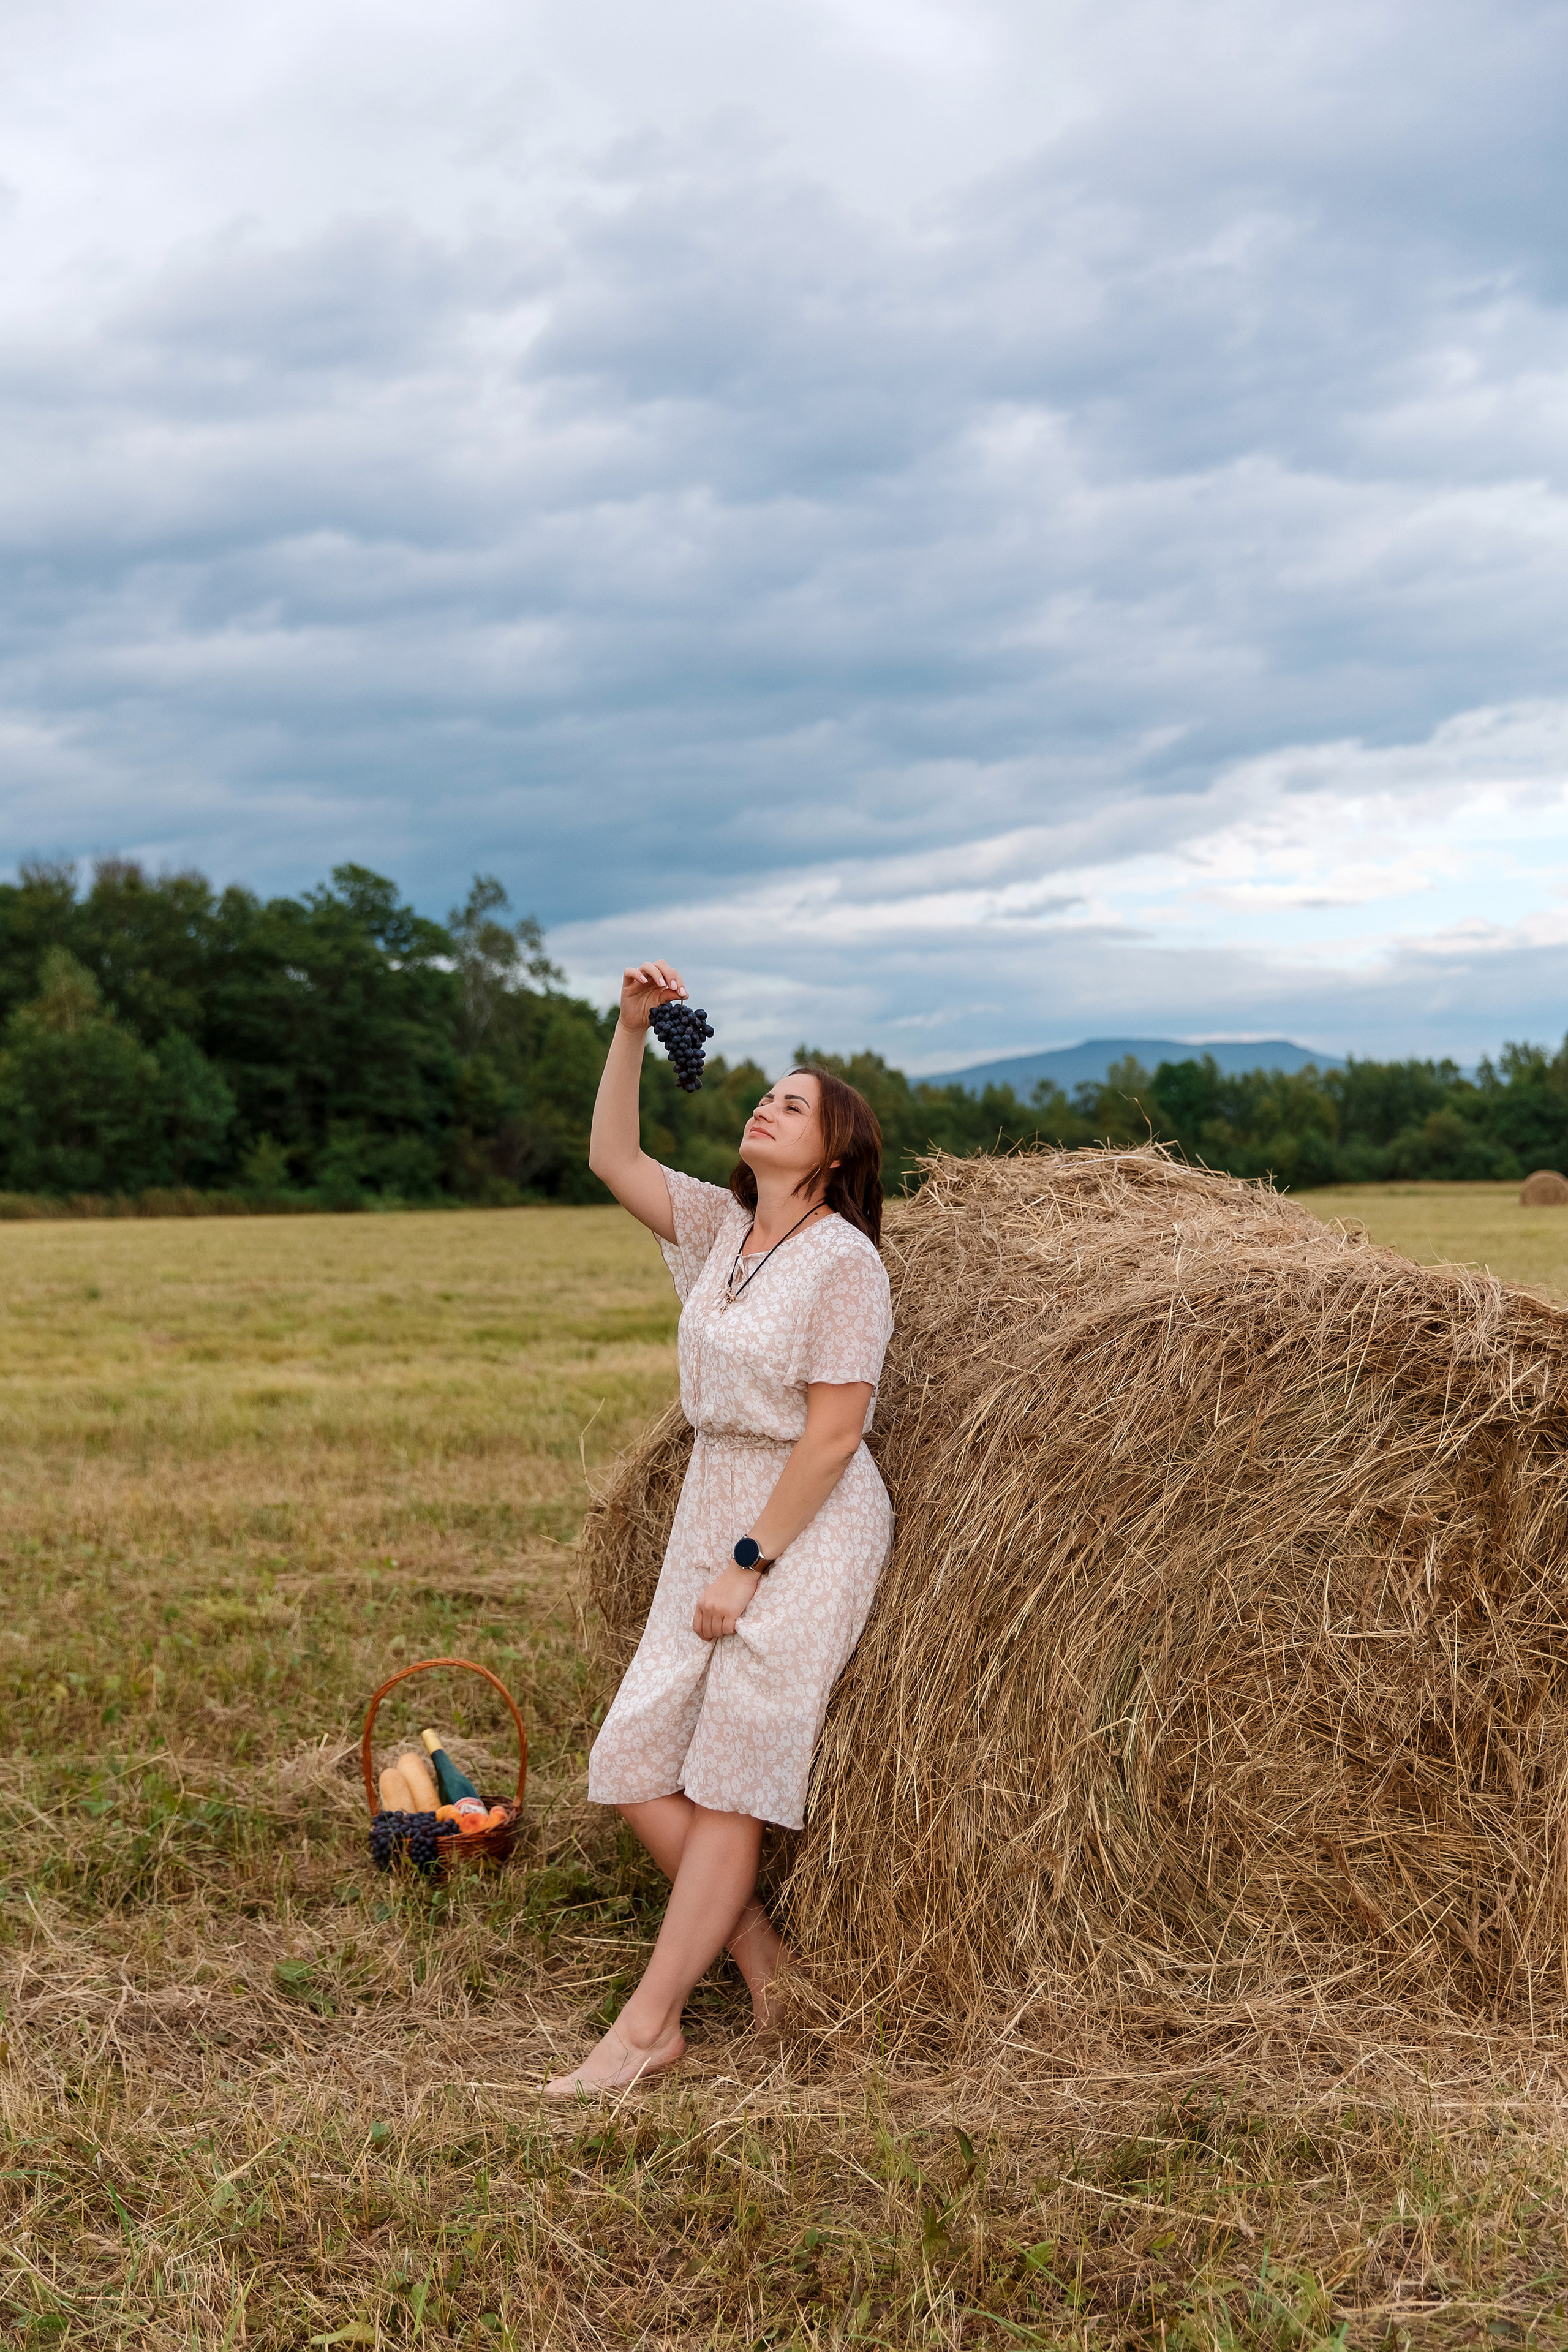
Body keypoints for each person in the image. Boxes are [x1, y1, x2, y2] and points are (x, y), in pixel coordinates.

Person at [545, 957, 894, 2097]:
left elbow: (836, 1435)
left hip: (805, 1520)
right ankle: (756, 1954)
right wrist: (629, 1029)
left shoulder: (845, 1261)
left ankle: (647, 2029)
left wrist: (751, 1563)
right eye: (765, 1095)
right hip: (712, 1497)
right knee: (636, 1756)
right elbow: (610, 1157)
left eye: (794, 1104)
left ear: (833, 1154)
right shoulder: (718, 1232)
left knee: (738, 1770)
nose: (765, 1107)